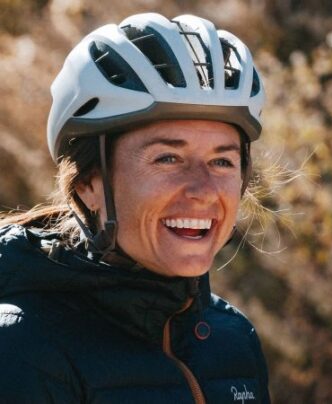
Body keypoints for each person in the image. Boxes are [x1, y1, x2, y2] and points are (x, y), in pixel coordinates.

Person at [0, 12, 270, 403]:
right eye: (167, 159)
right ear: (89, 185)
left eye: (222, 161)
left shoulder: (233, 339)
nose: (204, 190)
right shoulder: (22, 348)